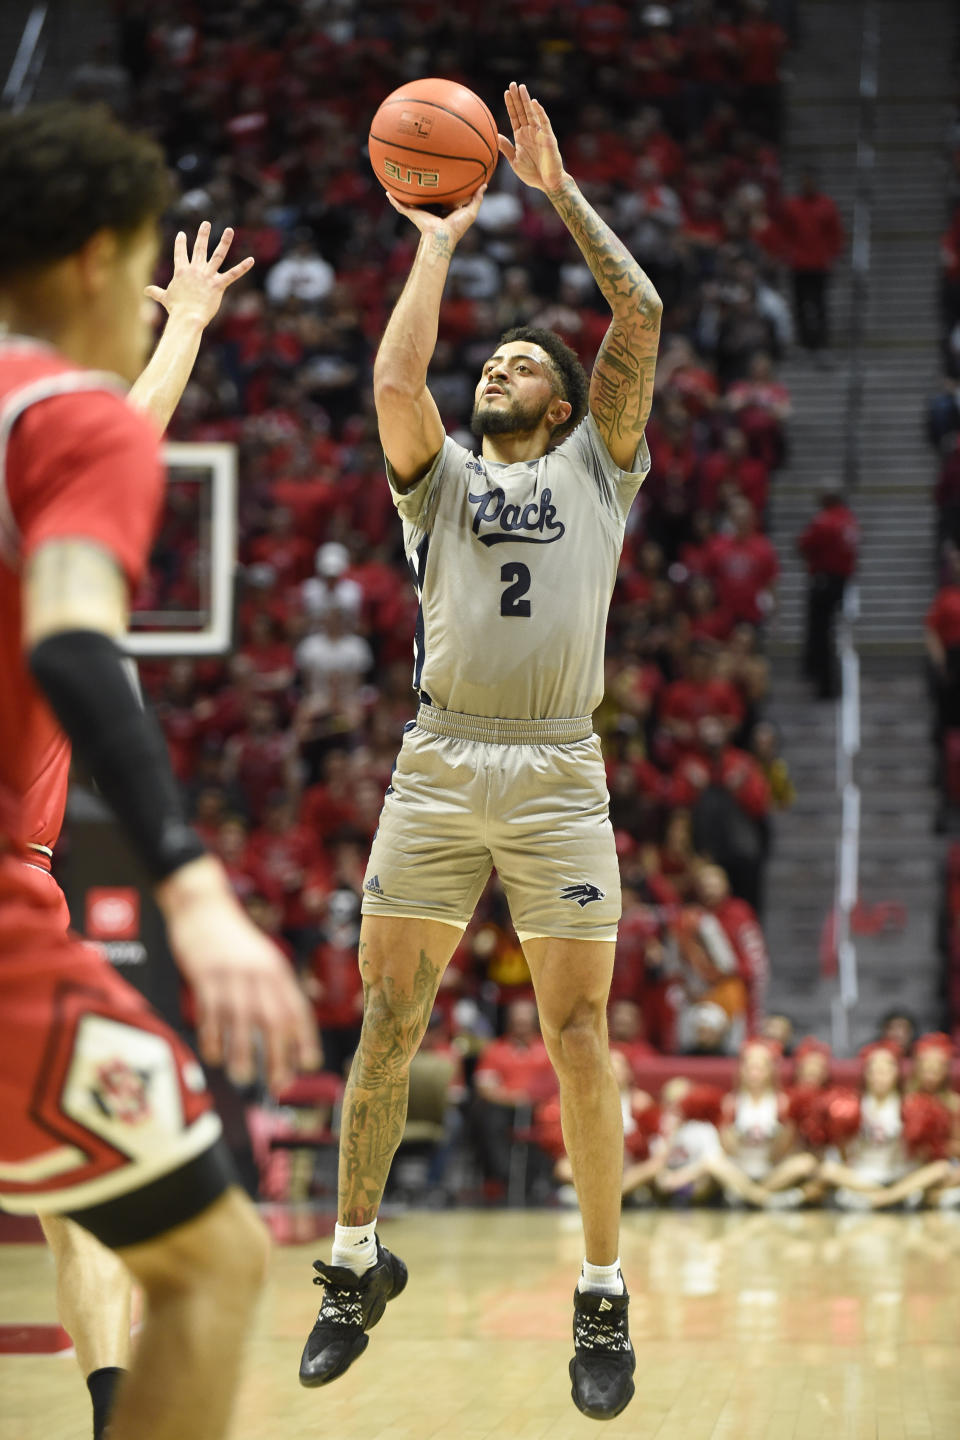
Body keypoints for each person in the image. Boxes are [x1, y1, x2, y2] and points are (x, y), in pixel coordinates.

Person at [298, 82, 662, 1422]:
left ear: (569, 406)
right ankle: (352, 1263)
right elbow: (399, 377)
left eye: (521, 363)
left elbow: (643, 321)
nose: (495, 366)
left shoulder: (597, 471)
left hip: (561, 770)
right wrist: (438, 237)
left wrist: (559, 194)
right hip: (440, 761)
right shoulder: (440, 478)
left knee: (578, 1036)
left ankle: (603, 1296)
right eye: (492, 360)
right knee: (388, 1019)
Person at [0, 103, 318, 1440]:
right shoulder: (68, 421)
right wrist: (189, 881)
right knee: (216, 1253)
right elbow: (72, 631)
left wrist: (183, 334)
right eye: (142, 274)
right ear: (95, 261)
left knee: (85, 1185)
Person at [797, 490, 858, 699]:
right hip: (843, 581)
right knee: (829, 632)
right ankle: (826, 679)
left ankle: (823, 682)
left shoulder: (824, 521)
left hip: (825, 580)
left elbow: (804, 544)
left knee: (821, 633)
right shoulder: (849, 521)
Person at [780, 170, 845, 361]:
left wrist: (833, 255)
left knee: (820, 304)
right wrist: (787, 254)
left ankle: (822, 343)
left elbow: (835, 233)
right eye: (804, 182)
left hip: (819, 264)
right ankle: (804, 342)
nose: (807, 185)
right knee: (800, 304)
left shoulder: (827, 205)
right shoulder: (792, 206)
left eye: (811, 182)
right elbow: (785, 232)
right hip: (798, 264)